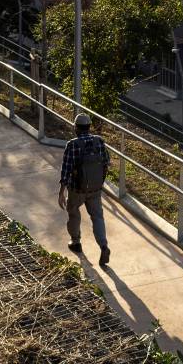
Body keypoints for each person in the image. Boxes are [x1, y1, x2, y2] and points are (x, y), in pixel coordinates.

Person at [58, 112, 111, 265]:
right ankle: (103, 245)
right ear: (89, 127)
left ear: (76, 128)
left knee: (73, 213)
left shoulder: (72, 144)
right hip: (95, 188)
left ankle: (76, 242)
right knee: (97, 217)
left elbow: (66, 170)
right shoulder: (99, 141)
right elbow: (106, 162)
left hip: (77, 189)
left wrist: (62, 192)